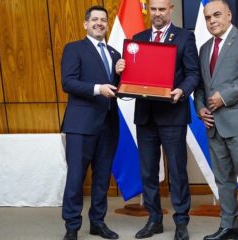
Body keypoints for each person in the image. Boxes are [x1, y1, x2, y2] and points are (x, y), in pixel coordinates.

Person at [115, 0, 200, 239]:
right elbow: (131, 75)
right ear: (148, 11)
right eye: (153, 9)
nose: (158, 14)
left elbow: (193, 73)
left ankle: (181, 222)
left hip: (173, 115)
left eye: (162, 9)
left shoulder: (184, 37)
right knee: (148, 172)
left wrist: (181, 91)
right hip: (146, 117)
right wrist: (120, 69)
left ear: (170, 9)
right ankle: (154, 220)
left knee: (178, 171)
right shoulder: (138, 38)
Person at [193, 1, 238, 240]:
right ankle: (229, 226)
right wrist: (200, 106)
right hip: (213, 125)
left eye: (216, 15)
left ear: (229, 15)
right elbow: (202, 86)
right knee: (223, 180)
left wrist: (224, 97)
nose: (212, 20)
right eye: (207, 17)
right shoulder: (204, 48)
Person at [60, 5, 121, 240]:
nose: (99, 23)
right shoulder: (74, 49)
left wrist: (121, 75)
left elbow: (118, 90)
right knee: (76, 177)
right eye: (94, 19)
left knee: (102, 178)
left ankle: (98, 222)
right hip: (80, 125)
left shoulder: (115, 54)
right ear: (86, 24)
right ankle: (72, 226)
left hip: (108, 125)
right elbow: (68, 82)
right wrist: (97, 89)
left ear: (107, 24)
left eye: (103, 20)